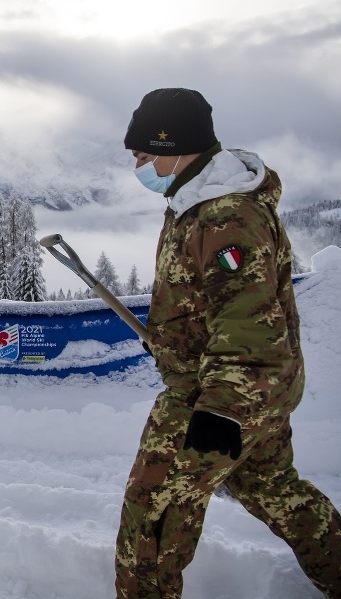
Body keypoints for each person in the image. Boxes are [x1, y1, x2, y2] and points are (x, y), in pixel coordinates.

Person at [116, 88, 341, 598]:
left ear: (178, 145)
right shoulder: (196, 204)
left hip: (220, 396)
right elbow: (209, 305)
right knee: (273, 488)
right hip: (251, 390)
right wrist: (175, 342)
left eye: (145, 153)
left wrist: (220, 411)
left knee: (152, 512)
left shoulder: (225, 218)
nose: (138, 164)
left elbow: (250, 323)